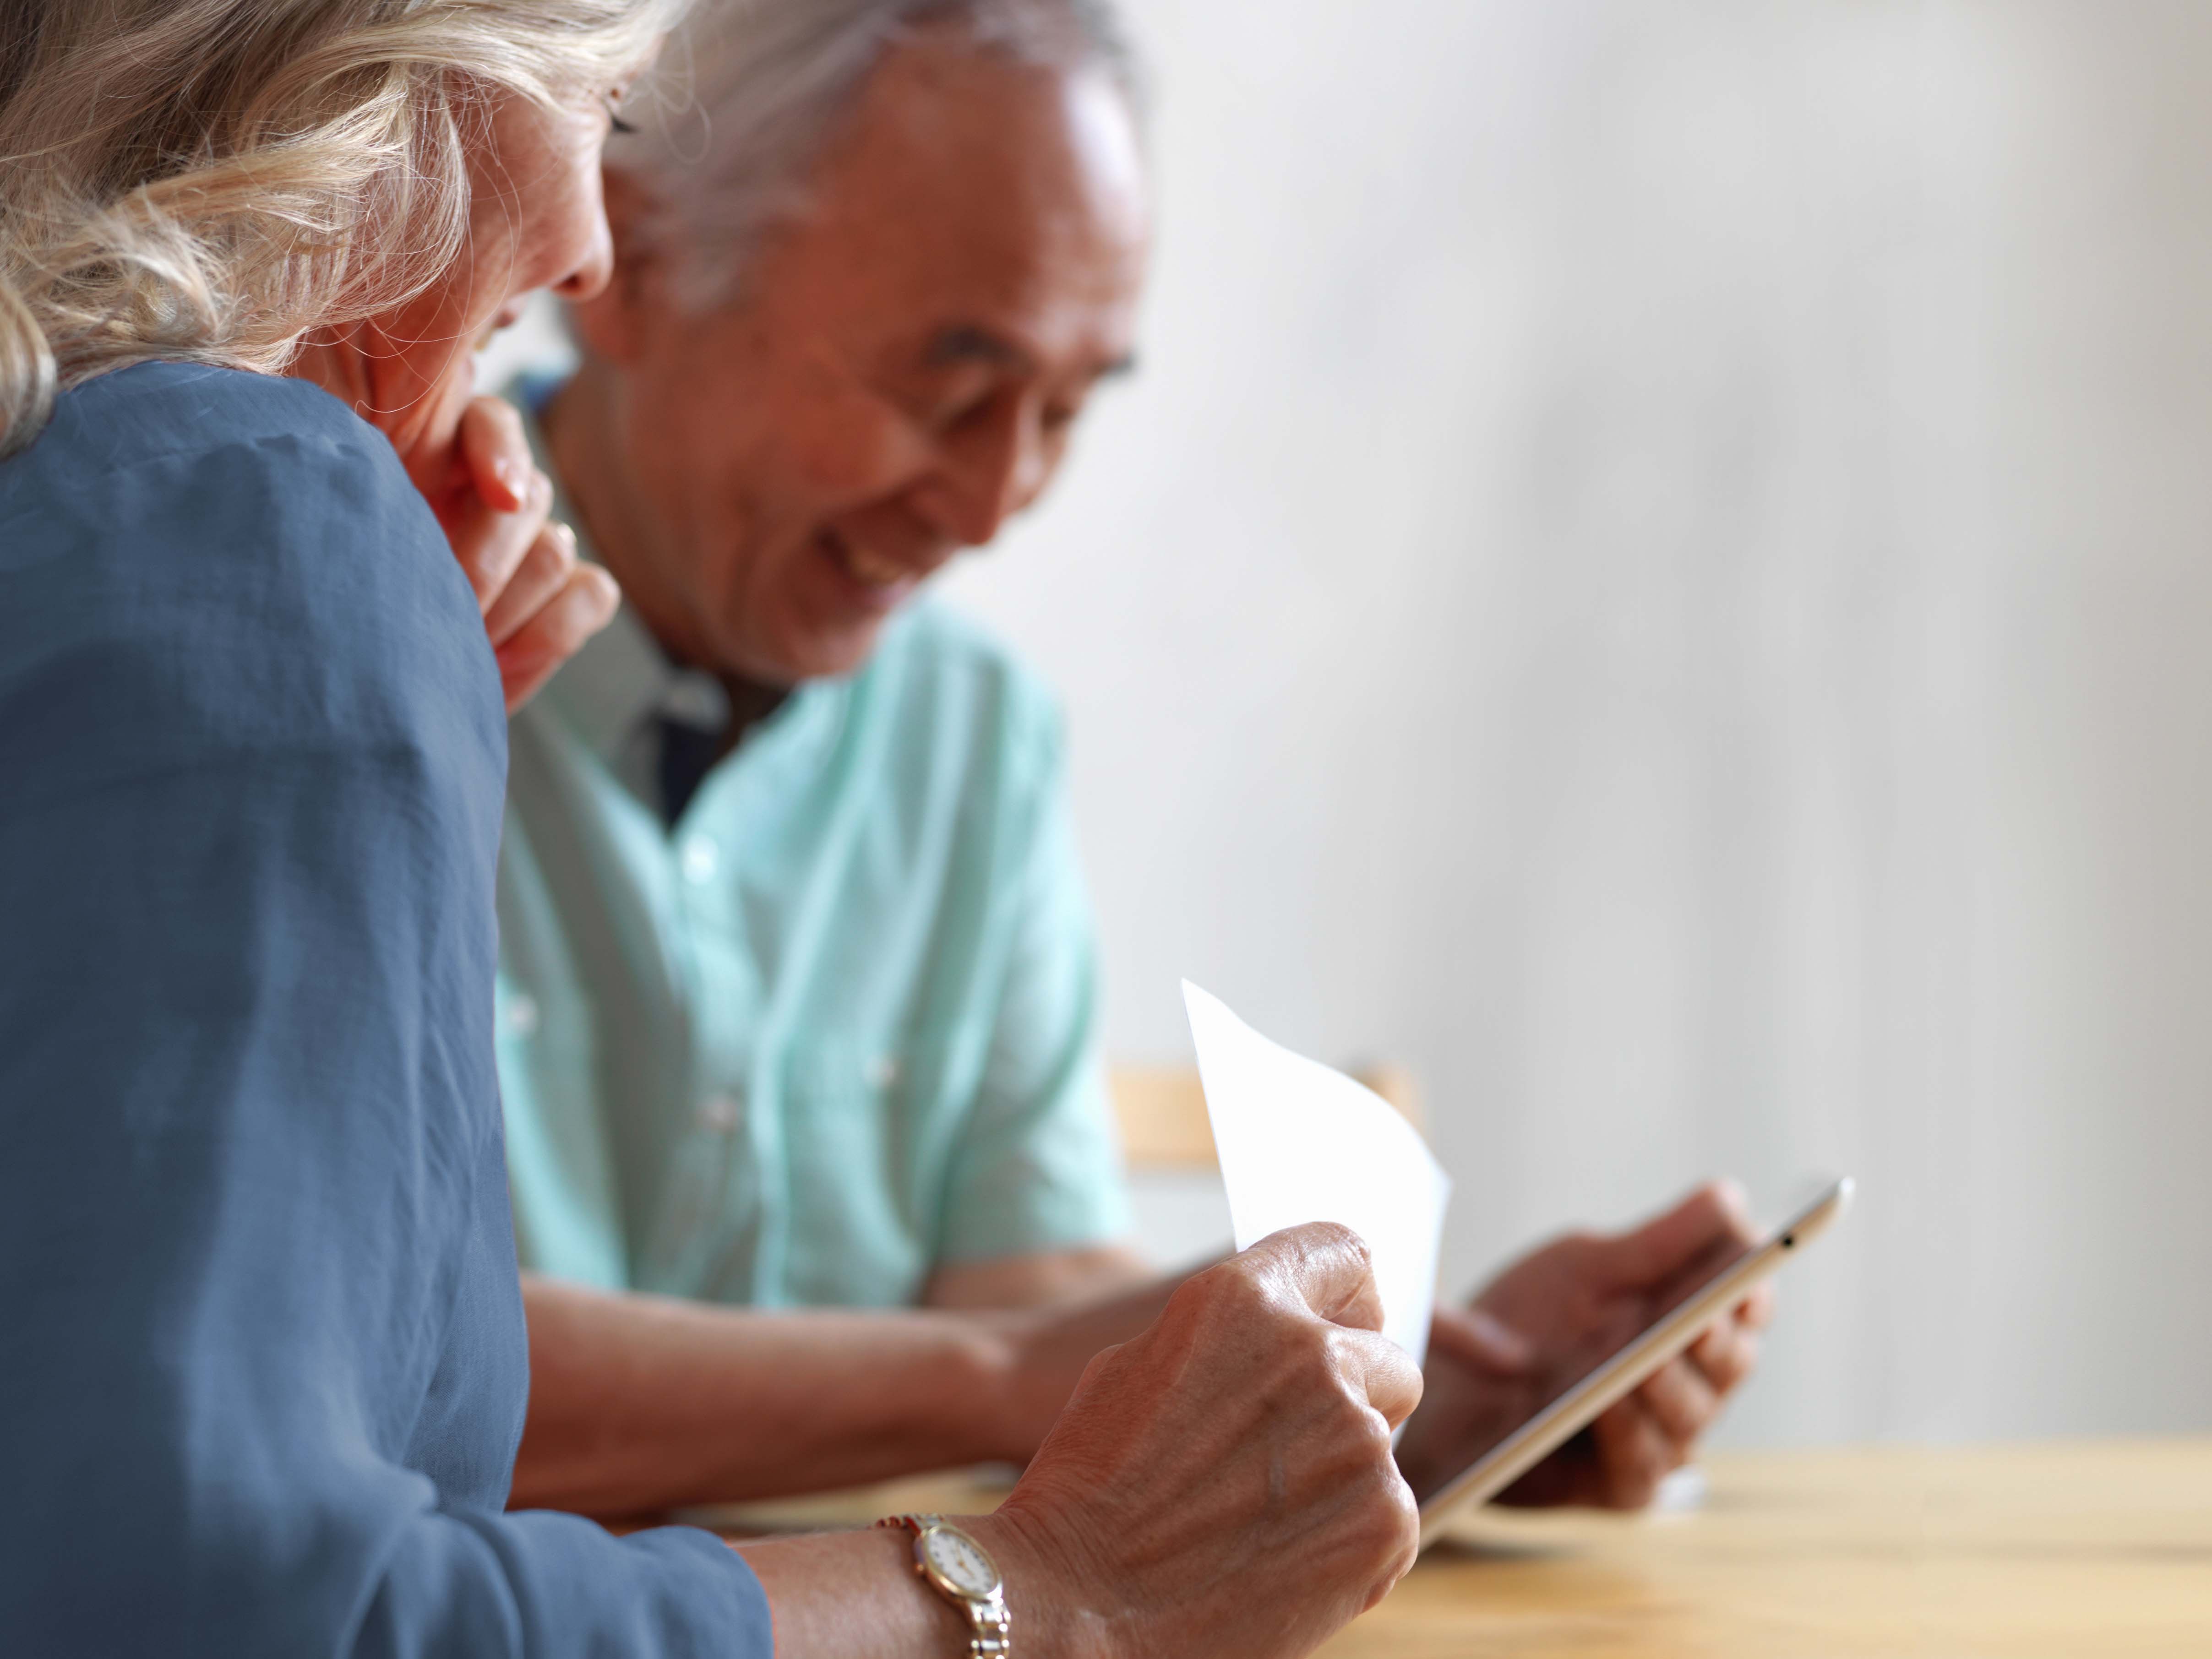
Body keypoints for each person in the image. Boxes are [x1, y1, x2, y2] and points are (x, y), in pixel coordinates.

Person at [0, 5, 1433, 1658]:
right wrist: (1054, 1589)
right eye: (598, 101)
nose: (586, 242)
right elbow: (231, 1604)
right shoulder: (265, 533)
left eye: (1067, 409)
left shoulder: (218, 555)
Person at [493, 0, 1773, 1526]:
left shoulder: (972, 737)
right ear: (623, 270)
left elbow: (1035, 1297)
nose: (996, 503)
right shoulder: (341, 653)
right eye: (947, 386)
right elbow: (341, 1387)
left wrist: (1415, 1398)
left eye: (1068, 405)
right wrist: (999, 1373)